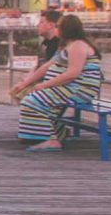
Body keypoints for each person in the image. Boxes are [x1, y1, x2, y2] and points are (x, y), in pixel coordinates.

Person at [11, 13, 101, 150]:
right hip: (68, 87)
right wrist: (25, 83)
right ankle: (58, 133)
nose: (56, 29)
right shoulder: (66, 46)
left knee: (32, 101)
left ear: (66, 29)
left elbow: (73, 73)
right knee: (24, 95)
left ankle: (51, 140)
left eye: (58, 26)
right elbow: (46, 67)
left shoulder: (78, 46)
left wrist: (43, 85)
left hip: (79, 89)